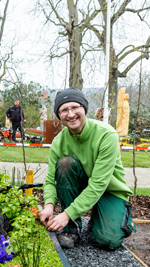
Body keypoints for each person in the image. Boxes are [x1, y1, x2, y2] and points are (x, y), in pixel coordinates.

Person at [39, 87, 136, 250]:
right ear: (59, 115)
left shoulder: (106, 135)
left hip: (108, 189)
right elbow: (50, 181)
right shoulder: (59, 141)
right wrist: (49, 205)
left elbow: (98, 184)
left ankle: (104, 215)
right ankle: (72, 229)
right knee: (65, 163)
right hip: (80, 186)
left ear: (84, 108)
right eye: (64, 110)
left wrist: (66, 213)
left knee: (108, 241)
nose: (70, 114)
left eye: (75, 107)